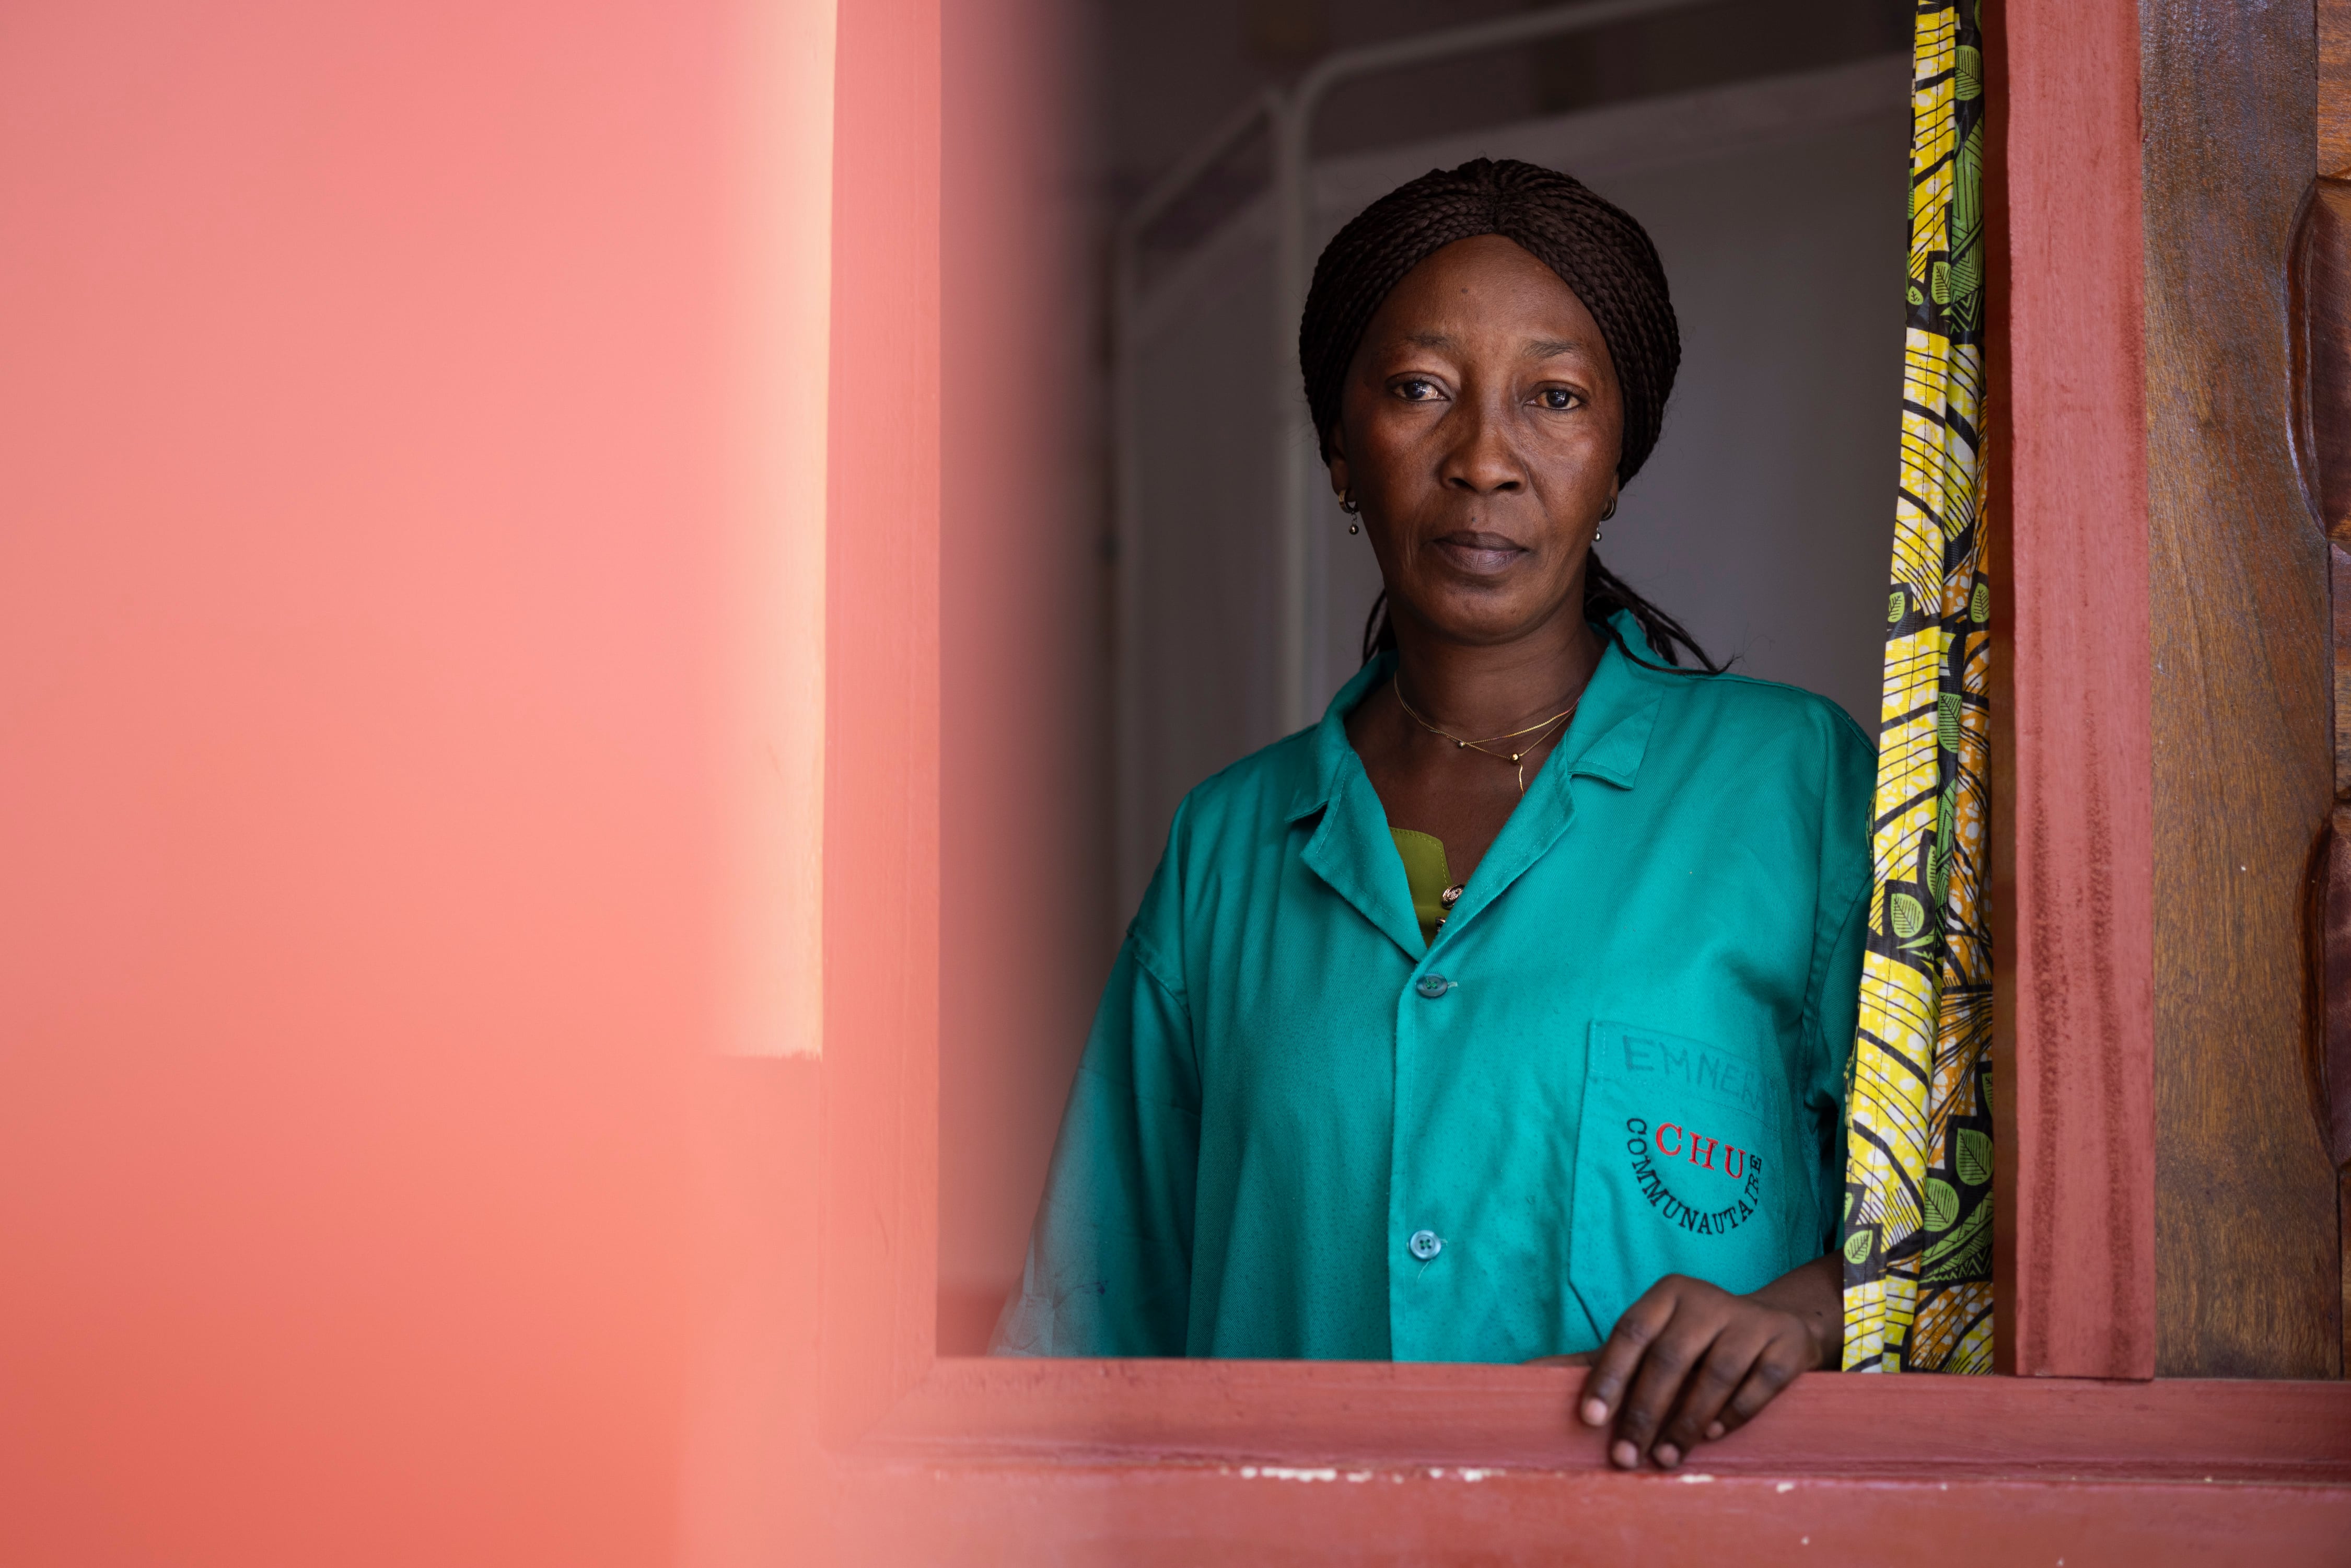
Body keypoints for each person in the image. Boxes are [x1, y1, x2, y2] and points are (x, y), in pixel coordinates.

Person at [993, 157, 1872, 1473]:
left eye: (1557, 399)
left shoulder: (1793, 787)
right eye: (1419, 391)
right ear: (1340, 446)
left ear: (1618, 456)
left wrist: (1809, 1311)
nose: (1484, 460)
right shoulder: (1229, 849)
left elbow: (1981, 1230)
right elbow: (1086, 1338)